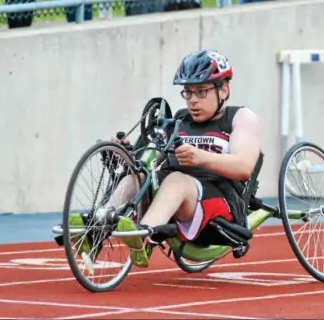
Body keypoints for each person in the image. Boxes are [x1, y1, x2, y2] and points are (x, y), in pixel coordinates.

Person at [97, 50, 261, 268]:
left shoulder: (240, 117)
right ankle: (97, 224)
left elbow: (244, 167)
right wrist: (125, 155)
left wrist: (200, 157)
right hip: (179, 201)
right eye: (188, 92)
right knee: (137, 176)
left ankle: (143, 235)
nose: (193, 101)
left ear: (224, 89)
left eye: (201, 92)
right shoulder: (180, 119)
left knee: (176, 180)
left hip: (221, 202)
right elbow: (151, 158)